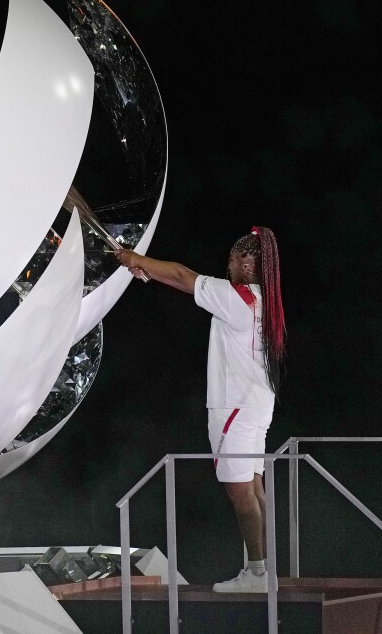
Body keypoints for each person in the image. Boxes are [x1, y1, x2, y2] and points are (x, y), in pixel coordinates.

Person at [114, 227, 286, 593]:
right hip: (256, 405)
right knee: (254, 489)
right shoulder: (263, 301)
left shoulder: (239, 297)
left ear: (245, 262)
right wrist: (147, 269)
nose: (227, 269)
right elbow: (184, 285)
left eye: (230, 262)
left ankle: (257, 574)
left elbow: (182, 275)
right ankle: (264, 571)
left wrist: (135, 259)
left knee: (241, 494)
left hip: (234, 407)